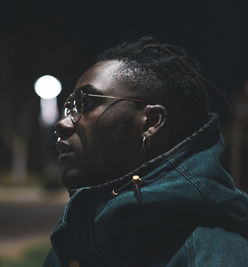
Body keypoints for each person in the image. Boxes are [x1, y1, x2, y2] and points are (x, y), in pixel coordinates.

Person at [44, 36, 248, 267]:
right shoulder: (81, 233)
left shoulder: (214, 254)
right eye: (69, 107)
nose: (63, 123)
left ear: (151, 122)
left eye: (86, 104)